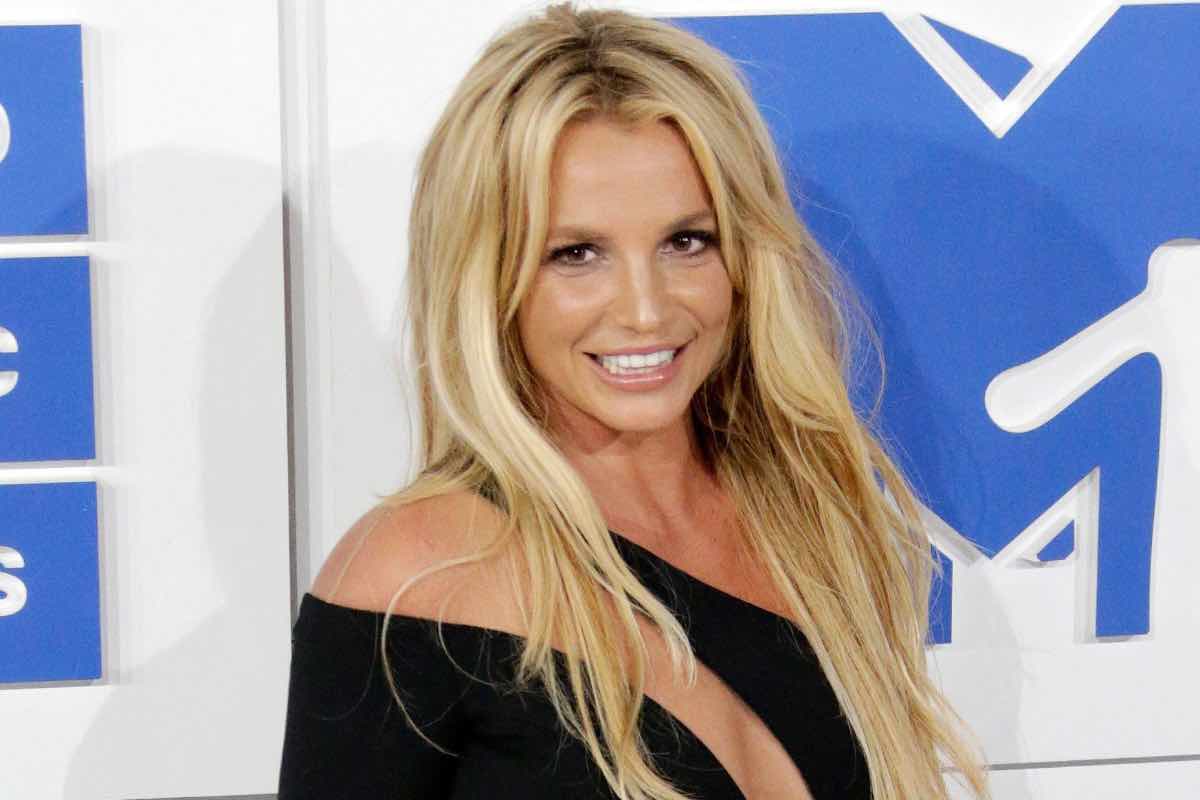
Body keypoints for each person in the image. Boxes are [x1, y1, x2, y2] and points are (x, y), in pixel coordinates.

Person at [277, 4, 991, 799]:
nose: (646, 311)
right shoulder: (412, 576)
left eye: (687, 241)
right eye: (576, 254)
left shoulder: (814, 521)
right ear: (488, 277)